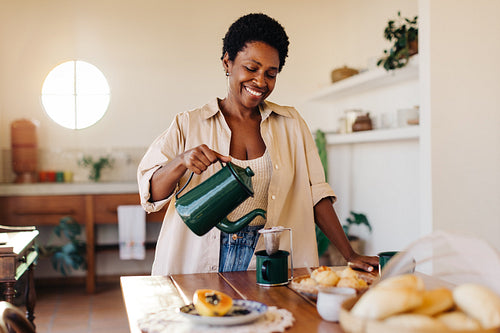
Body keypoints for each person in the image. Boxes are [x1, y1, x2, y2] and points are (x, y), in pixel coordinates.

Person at [137, 13, 379, 276]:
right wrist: (181, 161)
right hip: (199, 258)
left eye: (271, 74)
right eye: (251, 69)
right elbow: (151, 194)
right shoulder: (189, 123)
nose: (261, 82)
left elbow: (316, 194)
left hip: (269, 256)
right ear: (227, 62)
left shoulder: (291, 123)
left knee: (273, 317)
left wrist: (350, 254)